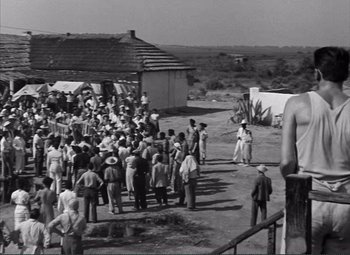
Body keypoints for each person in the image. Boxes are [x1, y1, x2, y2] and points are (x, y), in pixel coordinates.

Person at [280, 47, 350, 254]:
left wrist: (294, 188)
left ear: (317, 73)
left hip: (307, 201)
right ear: (346, 74)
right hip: (346, 205)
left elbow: (286, 162)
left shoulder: (296, 104)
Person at [33, 176, 56, 246]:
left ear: (44, 184)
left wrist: (39, 201)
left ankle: (39, 241)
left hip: (42, 207)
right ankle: (47, 243)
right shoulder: (52, 192)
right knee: (49, 225)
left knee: (40, 224)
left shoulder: (40, 191)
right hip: (49, 208)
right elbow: (54, 201)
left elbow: (35, 199)